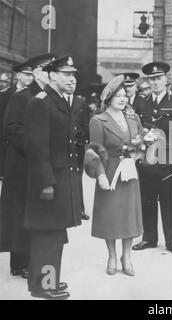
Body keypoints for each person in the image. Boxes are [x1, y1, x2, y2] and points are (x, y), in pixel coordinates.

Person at [24, 55, 83, 300]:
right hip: (49, 182)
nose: (72, 79)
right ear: (52, 76)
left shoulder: (59, 101)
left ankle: (51, 281)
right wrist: (46, 182)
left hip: (60, 180)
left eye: (73, 75)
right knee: (46, 236)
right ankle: (42, 286)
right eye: (66, 74)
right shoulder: (42, 102)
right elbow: (37, 148)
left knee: (55, 234)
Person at [0, 54, 55, 280]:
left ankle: (33, 259)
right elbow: (12, 129)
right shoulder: (22, 97)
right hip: (22, 165)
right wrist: (37, 144)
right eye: (46, 70)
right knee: (20, 212)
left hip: (42, 164)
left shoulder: (51, 97)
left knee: (37, 213)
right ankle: (19, 262)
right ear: (37, 73)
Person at [87, 75, 143, 276]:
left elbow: (141, 141)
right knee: (110, 216)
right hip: (109, 172)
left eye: (125, 95)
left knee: (129, 216)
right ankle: (111, 255)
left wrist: (136, 155)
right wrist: (100, 176)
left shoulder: (133, 118)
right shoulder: (98, 120)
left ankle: (126, 257)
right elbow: (94, 151)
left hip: (128, 174)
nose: (123, 99)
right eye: (118, 96)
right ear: (108, 98)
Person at [133, 62, 172, 256]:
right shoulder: (140, 103)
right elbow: (135, 131)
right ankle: (149, 238)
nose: (155, 82)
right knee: (147, 201)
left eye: (159, 78)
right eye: (152, 79)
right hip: (147, 163)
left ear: (166, 80)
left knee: (169, 202)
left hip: (168, 162)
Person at [0, 60, 34, 179]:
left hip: (21, 146)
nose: (30, 78)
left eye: (32, 75)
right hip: (6, 143)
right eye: (27, 75)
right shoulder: (5, 95)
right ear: (18, 75)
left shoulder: (33, 95)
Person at [64, 78, 90, 221]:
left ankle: (80, 209)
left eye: (73, 83)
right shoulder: (59, 99)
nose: (71, 86)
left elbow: (85, 124)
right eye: (68, 83)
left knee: (77, 177)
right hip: (64, 145)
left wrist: (81, 138)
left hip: (77, 146)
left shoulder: (80, 102)